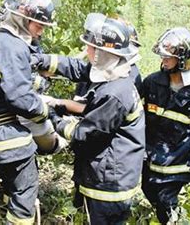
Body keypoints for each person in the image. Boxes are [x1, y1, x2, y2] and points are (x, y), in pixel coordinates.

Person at [33, 13, 145, 224]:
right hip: (107, 176)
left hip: (108, 186)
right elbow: (76, 68)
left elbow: (84, 134)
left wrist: (54, 116)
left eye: (91, 47)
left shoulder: (114, 93)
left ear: (103, 53)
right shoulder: (113, 74)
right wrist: (45, 60)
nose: (86, 51)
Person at [0, 0, 60, 224]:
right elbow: (21, 100)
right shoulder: (15, 47)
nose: (41, 30)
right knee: (26, 191)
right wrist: (47, 109)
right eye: (38, 24)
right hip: (7, 138)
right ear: (23, 19)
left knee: (12, 185)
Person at [141, 27, 190, 224]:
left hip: (179, 165)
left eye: (169, 56)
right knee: (151, 194)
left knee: (166, 203)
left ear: (183, 59)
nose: (164, 60)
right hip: (150, 160)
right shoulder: (152, 83)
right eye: (163, 55)